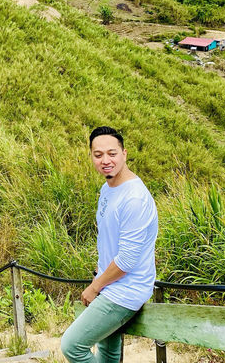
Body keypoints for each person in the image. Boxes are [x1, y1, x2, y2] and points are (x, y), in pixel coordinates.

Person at [61, 126, 158, 363]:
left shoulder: (134, 198)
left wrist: (95, 286)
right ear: (91, 156)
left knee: (72, 346)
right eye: (98, 154)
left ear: (124, 153)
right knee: (107, 355)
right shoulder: (108, 189)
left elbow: (126, 261)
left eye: (112, 153)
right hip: (111, 284)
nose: (106, 160)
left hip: (125, 291)